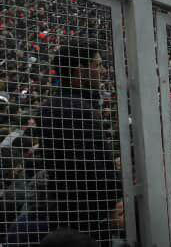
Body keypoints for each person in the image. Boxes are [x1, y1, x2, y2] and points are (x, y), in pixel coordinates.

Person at [39, 40, 121, 241]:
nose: (103, 70)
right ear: (80, 70)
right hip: (87, 217)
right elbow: (92, 167)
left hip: (69, 211)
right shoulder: (77, 108)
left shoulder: (57, 104)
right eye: (97, 65)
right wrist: (116, 197)